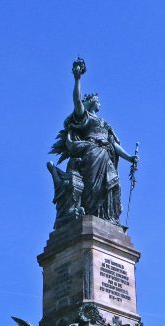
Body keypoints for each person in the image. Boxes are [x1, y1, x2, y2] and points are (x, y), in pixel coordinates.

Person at [50, 58, 138, 223]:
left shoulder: (104, 123)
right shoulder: (85, 117)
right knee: (92, 187)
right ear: (90, 102)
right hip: (92, 153)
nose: (99, 102)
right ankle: (90, 215)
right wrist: (77, 79)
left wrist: (129, 158)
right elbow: (76, 100)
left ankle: (107, 218)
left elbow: (113, 144)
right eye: (97, 100)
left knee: (111, 186)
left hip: (106, 155)